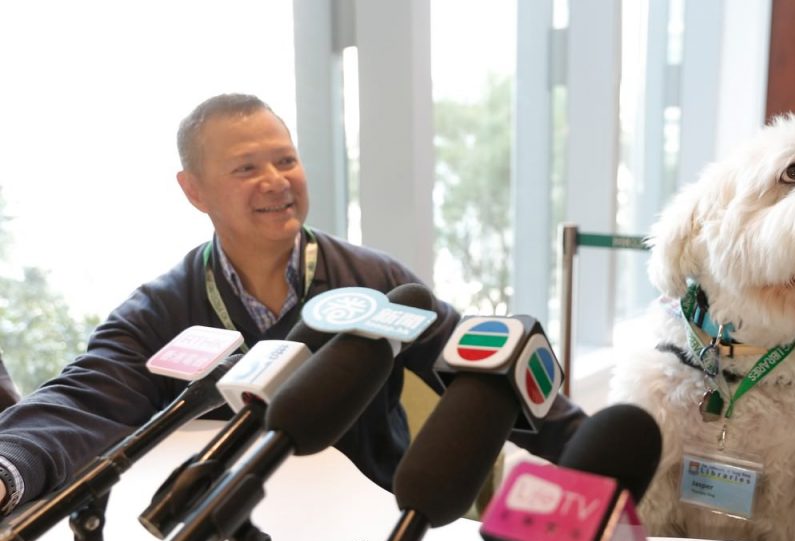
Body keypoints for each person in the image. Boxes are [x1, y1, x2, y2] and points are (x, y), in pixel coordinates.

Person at [0, 93, 584, 516]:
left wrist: (604, 461)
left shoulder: (374, 280)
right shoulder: (161, 310)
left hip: (371, 529)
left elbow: (490, 373)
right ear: (194, 190)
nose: (277, 181)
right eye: (246, 168)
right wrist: (8, 470)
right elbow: (80, 402)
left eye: (286, 160)